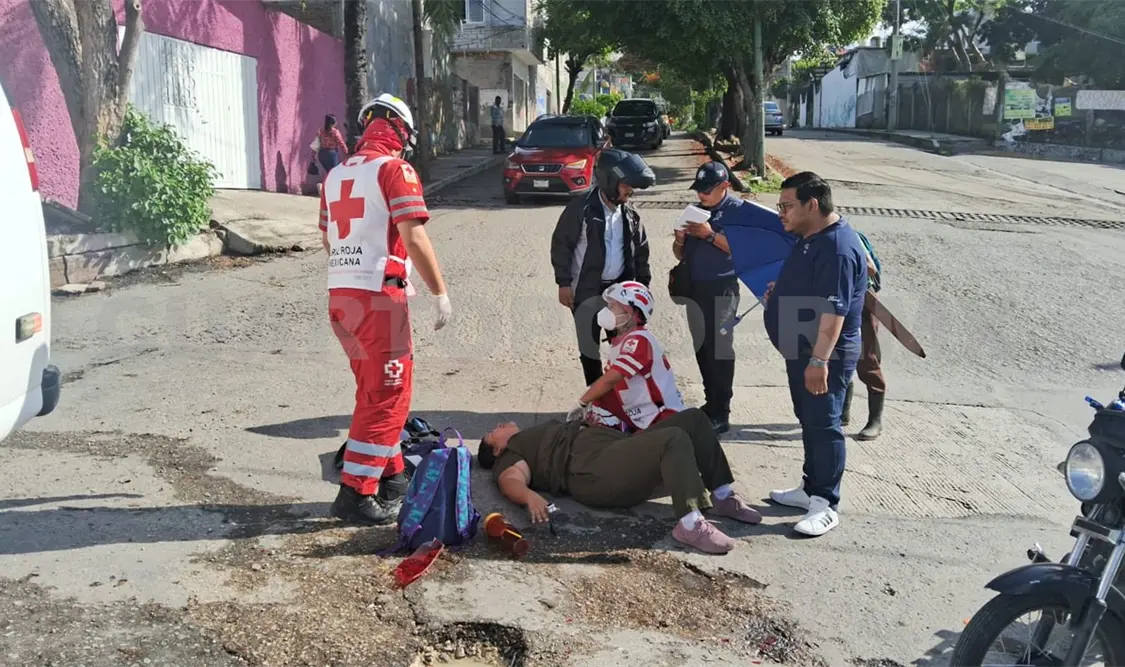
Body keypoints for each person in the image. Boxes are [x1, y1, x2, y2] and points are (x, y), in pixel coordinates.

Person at [319, 92, 454, 526]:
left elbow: (328, 240)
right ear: (399, 129)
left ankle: (392, 474)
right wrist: (440, 291)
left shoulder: (336, 173)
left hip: (341, 298)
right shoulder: (395, 169)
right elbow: (414, 238)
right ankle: (356, 493)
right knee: (390, 396)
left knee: (372, 391)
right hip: (380, 300)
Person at [476, 408, 762, 554]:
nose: (498, 426)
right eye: (492, 433)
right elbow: (510, 479)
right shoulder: (511, 454)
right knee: (673, 439)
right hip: (593, 472)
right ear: (498, 450)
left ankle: (722, 496)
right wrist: (529, 497)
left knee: (694, 419)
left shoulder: (530, 436)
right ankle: (689, 524)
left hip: (615, 450)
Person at [762, 171, 866, 538]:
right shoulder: (809, 238)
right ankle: (810, 488)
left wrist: (819, 360)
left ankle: (825, 502)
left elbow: (834, 310)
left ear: (813, 204)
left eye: (787, 206)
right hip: (800, 347)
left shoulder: (837, 247)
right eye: (779, 206)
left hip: (824, 355)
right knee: (809, 419)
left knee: (824, 425)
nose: (781, 213)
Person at [551, 149, 654, 388]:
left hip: (620, 294)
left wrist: (643, 289)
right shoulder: (581, 209)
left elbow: (641, 253)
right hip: (586, 291)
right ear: (610, 181)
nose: (631, 191)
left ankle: (622, 398)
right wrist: (563, 283)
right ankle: (596, 399)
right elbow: (561, 246)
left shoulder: (630, 215)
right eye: (626, 185)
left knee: (623, 348)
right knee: (589, 348)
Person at [675, 161, 742, 434]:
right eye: (698, 190)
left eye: (707, 190)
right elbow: (681, 254)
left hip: (722, 289)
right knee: (702, 348)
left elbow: (742, 251)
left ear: (725, 186)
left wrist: (709, 234)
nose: (701, 195)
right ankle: (710, 404)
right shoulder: (694, 211)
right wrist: (680, 239)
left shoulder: (737, 211)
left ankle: (722, 412)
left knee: (720, 351)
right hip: (695, 288)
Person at [565, 281, 685, 432]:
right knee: (598, 397)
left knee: (599, 394)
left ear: (632, 313)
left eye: (613, 306)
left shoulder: (639, 340)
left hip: (661, 418)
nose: (607, 311)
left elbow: (610, 379)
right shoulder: (622, 341)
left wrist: (582, 402)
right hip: (643, 415)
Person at [842, 230, 886, 440]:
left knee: (867, 359)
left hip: (862, 301)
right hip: (835, 301)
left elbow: (870, 268)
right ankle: (841, 414)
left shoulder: (847, 236)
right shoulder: (809, 236)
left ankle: (875, 420)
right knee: (838, 356)